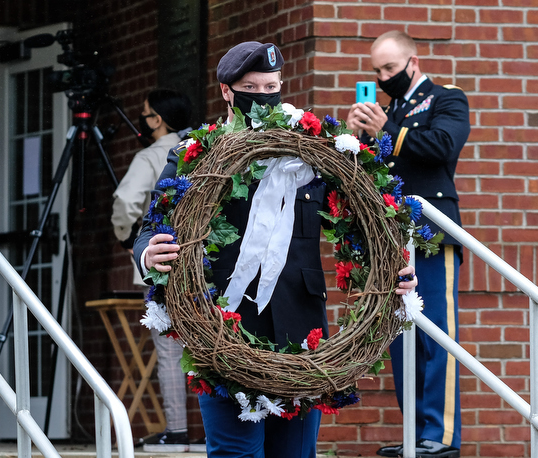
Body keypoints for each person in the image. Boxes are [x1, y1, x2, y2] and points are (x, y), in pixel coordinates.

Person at [133, 41, 419, 458]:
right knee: (235, 453)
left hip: (299, 327)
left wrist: (396, 269)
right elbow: (151, 227)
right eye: (253, 86)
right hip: (220, 327)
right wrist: (148, 254)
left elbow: (367, 223)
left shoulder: (313, 154)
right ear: (227, 91)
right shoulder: (195, 155)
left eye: (273, 86)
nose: (265, 96)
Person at [347, 31, 470, 458]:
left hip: (433, 235)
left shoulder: (446, 98)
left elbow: (443, 146)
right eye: (377, 71)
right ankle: (415, 436)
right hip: (392, 238)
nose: (383, 78)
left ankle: (442, 434)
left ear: (412, 62)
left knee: (437, 334)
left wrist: (389, 128)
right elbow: (375, 173)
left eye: (390, 69)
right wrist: (358, 139)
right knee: (402, 339)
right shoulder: (389, 109)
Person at [110, 88, 194, 451]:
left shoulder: (152, 155)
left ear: (158, 119)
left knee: (170, 348)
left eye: (145, 114)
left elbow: (127, 200)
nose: (143, 120)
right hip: (207, 260)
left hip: (163, 260)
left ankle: (176, 430)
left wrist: (128, 238)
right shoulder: (200, 148)